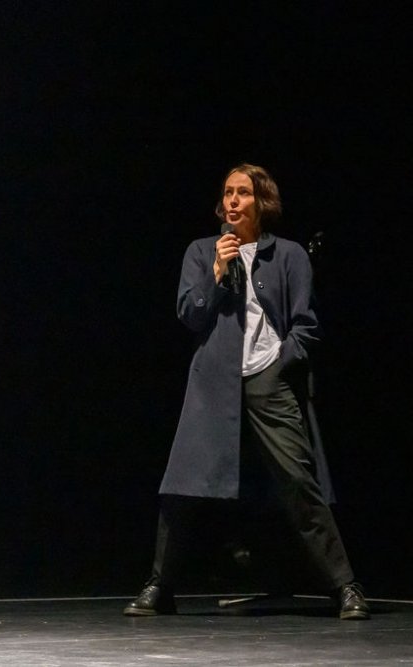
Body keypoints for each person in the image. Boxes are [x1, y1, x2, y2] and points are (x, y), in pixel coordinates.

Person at [123, 163, 369, 621]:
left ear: (262, 202)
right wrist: (217, 271)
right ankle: (160, 586)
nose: (233, 201)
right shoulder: (201, 251)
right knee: (183, 485)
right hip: (212, 381)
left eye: (243, 193)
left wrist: (280, 364)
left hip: (268, 378)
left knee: (299, 481)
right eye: (227, 193)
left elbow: (307, 325)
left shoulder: (290, 255)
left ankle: (345, 585)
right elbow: (190, 315)